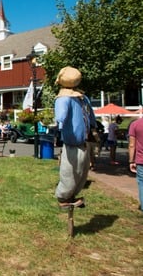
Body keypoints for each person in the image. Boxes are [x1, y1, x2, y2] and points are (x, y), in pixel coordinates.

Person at [54, 67, 97, 209]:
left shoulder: (81, 98)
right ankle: (64, 197)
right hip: (74, 141)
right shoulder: (70, 99)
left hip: (80, 141)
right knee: (71, 170)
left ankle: (70, 195)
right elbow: (62, 116)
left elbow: (89, 115)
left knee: (80, 171)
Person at [128, 117, 143, 212]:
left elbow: (131, 145)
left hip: (141, 160)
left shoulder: (135, 124)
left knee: (142, 183)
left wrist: (131, 161)